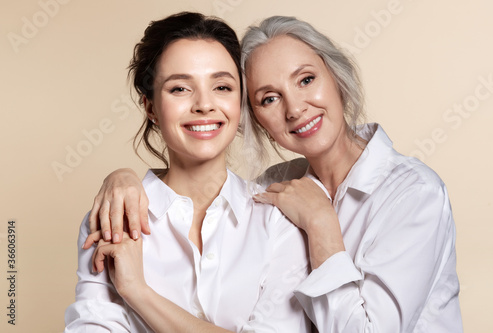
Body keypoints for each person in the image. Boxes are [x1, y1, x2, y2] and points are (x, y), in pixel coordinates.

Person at [89, 15, 463, 332]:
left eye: (306, 80)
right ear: (252, 118)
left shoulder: (414, 193)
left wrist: (321, 226)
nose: (296, 108)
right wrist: (122, 178)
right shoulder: (272, 190)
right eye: (269, 98)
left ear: (337, 77)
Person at [64, 12, 311, 333]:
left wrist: (137, 291)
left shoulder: (277, 219)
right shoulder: (113, 217)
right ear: (150, 106)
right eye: (180, 89)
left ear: (241, 103)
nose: (204, 104)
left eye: (222, 86)